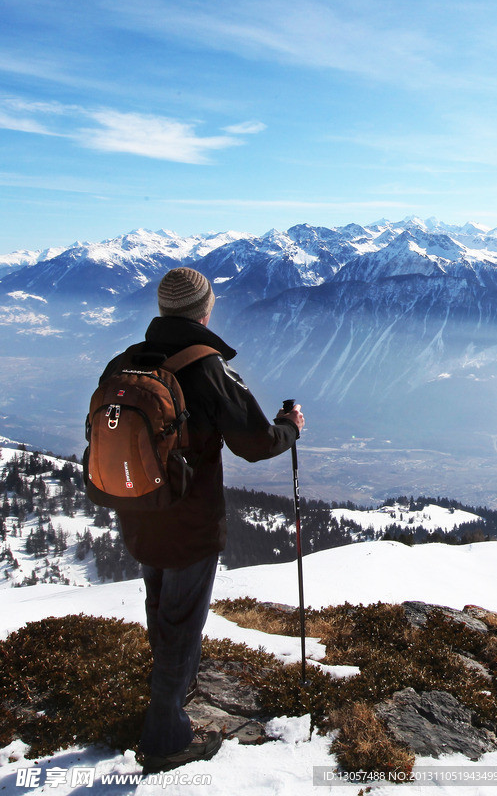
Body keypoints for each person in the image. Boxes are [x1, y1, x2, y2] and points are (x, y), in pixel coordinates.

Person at [108, 266, 304, 775]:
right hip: (189, 519)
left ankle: (170, 690)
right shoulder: (205, 366)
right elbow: (257, 442)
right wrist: (290, 427)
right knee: (183, 623)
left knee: (162, 609)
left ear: (161, 308)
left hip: (137, 509)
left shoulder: (126, 361)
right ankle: (167, 735)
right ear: (205, 309)